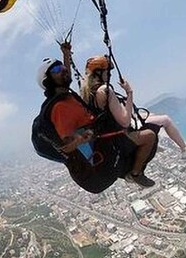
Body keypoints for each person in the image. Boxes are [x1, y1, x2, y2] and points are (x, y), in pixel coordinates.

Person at [36, 43, 157, 189]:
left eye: (62, 67)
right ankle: (135, 174)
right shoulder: (60, 107)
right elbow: (66, 145)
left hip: (102, 140)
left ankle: (129, 168)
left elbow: (66, 75)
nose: (63, 69)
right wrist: (82, 137)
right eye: (57, 69)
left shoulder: (67, 95)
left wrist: (66, 55)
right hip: (100, 152)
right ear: (48, 81)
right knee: (150, 135)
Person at [80, 55, 186, 160]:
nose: (110, 74)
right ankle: (185, 150)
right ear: (99, 72)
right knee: (166, 120)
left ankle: (155, 145)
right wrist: (129, 92)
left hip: (110, 128)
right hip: (121, 130)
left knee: (152, 115)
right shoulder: (104, 90)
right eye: (107, 71)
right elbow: (125, 121)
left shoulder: (87, 92)